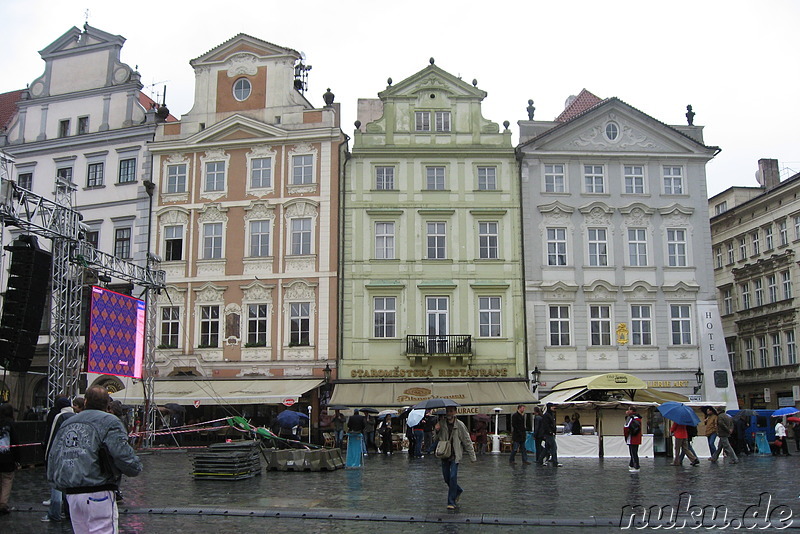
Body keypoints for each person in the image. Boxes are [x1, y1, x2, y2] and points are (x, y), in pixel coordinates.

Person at [48, 386, 142, 534]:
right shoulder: (110, 421)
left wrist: (56, 482)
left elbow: (54, 454)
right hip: (98, 489)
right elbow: (121, 453)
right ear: (107, 404)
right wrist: (135, 467)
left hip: (72, 493)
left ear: (85, 401)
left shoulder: (68, 422)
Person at [435, 406, 476, 510]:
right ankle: (458, 490)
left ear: (455, 412)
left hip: (455, 455)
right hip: (444, 454)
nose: (449, 413)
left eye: (451, 411)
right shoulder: (442, 424)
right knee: (446, 478)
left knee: (453, 477)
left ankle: (451, 501)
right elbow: (435, 439)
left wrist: (472, 456)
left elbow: (466, 440)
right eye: (447, 411)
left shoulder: (460, 425)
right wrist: (436, 431)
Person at [43, 396, 74, 522]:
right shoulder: (75, 416)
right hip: (72, 456)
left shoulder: (59, 417)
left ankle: (54, 513)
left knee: (56, 485)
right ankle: (68, 512)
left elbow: (52, 437)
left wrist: (47, 456)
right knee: (68, 486)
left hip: (59, 455)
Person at [0, 403, 19, 515]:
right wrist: (17, 459)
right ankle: (3, 504)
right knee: (7, 480)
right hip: (8, 458)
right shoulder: (11, 424)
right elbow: (15, 442)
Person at [623, 407, 642, 472]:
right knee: (635, 452)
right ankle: (631, 465)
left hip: (631, 438)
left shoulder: (630, 418)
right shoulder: (638, 418)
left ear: (631, 411)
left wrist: (625, 436)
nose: (627, 411)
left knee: (633, 453)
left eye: (628, 410)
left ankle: (636, 466)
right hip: (637, 437)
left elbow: (626, 428)